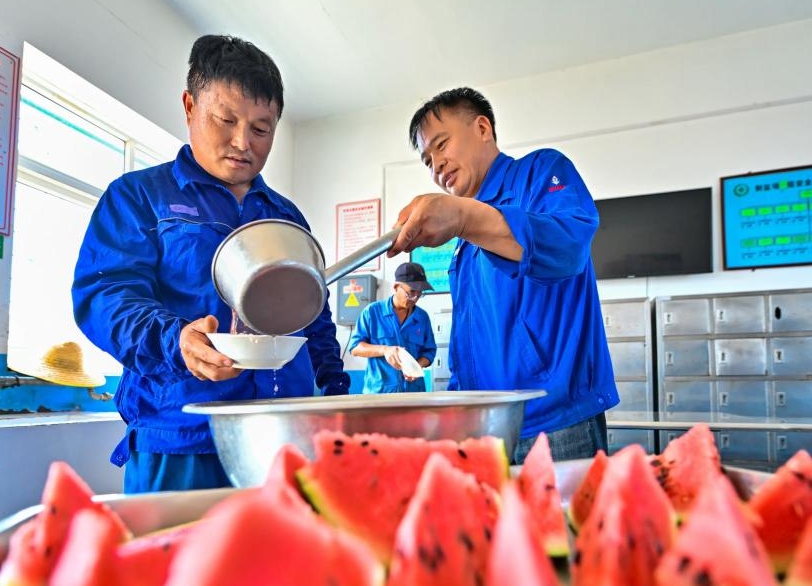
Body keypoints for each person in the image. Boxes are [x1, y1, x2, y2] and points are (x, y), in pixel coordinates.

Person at [72, 35, 349, 493]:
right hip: (180, 439)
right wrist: (174, 340)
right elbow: (105, 296)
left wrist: (337, 399)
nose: (243, 142)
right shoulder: (140, 197)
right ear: (189, 106)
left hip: (284, 439)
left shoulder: (285, 216)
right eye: (226, 119)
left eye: (262, 129)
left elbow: (313, 317)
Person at [388, 87, 618, 463]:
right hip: (486, 430)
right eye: (428, 161)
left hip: (556, 422)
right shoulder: (462, 248)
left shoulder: (541, 173)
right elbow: (467, 345)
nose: (437, 166)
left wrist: (463, 216)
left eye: (442, 145)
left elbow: (568, 247)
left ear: (482, 128)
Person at [349, 262, 437, 393]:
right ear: (396, 287)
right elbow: (355, 347)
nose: (415, 299)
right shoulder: (372, 312)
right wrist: (384, 350)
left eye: (419, 294)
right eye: (411, 292)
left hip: (414, 394)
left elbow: (429, 351)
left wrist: (417, 366)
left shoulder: (422, 317)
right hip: (380, 394)